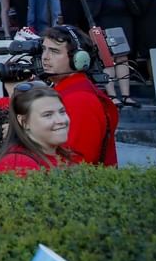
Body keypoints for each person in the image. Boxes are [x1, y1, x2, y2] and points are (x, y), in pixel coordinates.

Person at [38, 25, 119, 165]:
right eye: (44, 50)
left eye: (54, 51)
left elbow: (76, 162)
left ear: (79, 60)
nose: (45, 57)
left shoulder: (80, 99)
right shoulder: (69, 90)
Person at [78, 0, 141, 104]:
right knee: (107, 56)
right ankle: (112, 95)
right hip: (102, 17)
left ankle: (126, 95)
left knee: (122, 56)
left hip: (123, 17)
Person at [0, 83, 75, 176]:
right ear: (24, 122)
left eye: (62, 112)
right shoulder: (18, 164)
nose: (61, 120)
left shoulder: (63, 156)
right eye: (48, 115)